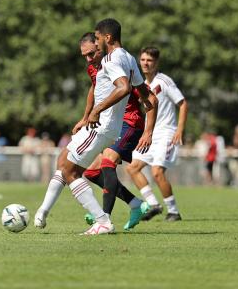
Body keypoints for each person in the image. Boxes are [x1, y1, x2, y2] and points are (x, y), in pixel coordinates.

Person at [35, 19, 156, 235]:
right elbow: (148, 96)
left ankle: (103, 220)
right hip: (104, 125)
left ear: (106, 38)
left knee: (70, 170)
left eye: (98, 39)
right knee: (66, 162)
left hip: (103, 125)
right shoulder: (127, 57)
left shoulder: (111, 60)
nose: (96, 46)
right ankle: (42, 213)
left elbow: (123, 87)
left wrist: (97, 110)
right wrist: (148, 107)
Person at [126, 46, 188, 222]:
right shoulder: (140, 84)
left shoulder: (164, 81)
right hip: (149, 134)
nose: (145, 63)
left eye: (150, 60)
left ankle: (174, 211)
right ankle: (153, 205)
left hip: (166, 133)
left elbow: (183, 104)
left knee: (157, 172)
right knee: (132, 167)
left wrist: (180, 130)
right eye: (143, 60)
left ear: (156, 63)